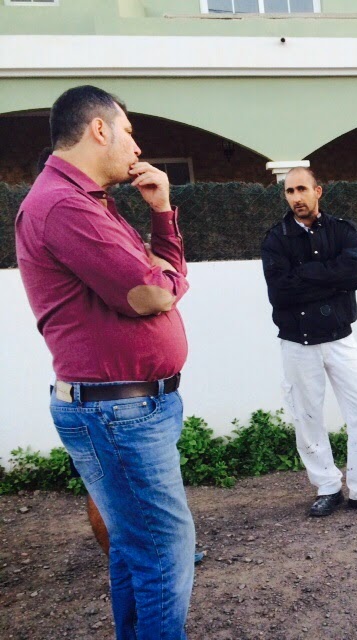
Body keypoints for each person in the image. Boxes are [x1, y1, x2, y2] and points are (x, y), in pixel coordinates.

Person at [15, 86, 195, 639]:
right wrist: (170, 282)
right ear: (99, 129)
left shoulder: (90, 202)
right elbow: (151, 293)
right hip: (120, 414)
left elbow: (158, 273)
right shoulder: (64, 206)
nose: (136, 147)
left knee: (136, 547)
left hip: (131, 408)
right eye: (129, 132)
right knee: (165, 550)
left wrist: (161, 212)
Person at [261, 167, 357, 517]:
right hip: (297, 342)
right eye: (290, 191)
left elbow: (355, 273)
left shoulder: (344, 231)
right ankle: (327, 487)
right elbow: (280, 292)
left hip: (340, 337)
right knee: (306, 415)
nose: (296, 197)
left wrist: (303, 274)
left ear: (318, 191)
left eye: (302, 189)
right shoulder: (276, 238)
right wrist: (331, 279)